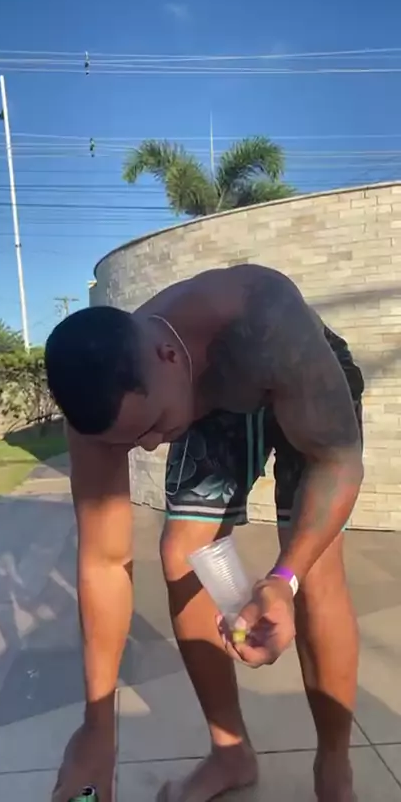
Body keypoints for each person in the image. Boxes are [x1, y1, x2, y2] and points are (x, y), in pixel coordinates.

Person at [45, 263, 364, 802]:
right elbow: (103, 561)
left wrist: (282, 579)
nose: (150, 445)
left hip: (297, 375)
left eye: (151, 427)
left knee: (317, 574)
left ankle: (334, 767)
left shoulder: (261, 313)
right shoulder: (97, 406)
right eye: (132, 441)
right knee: (182, 552)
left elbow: (339, 463)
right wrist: (98, 727)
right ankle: (230, 751)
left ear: (167, 356)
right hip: (209, 401)